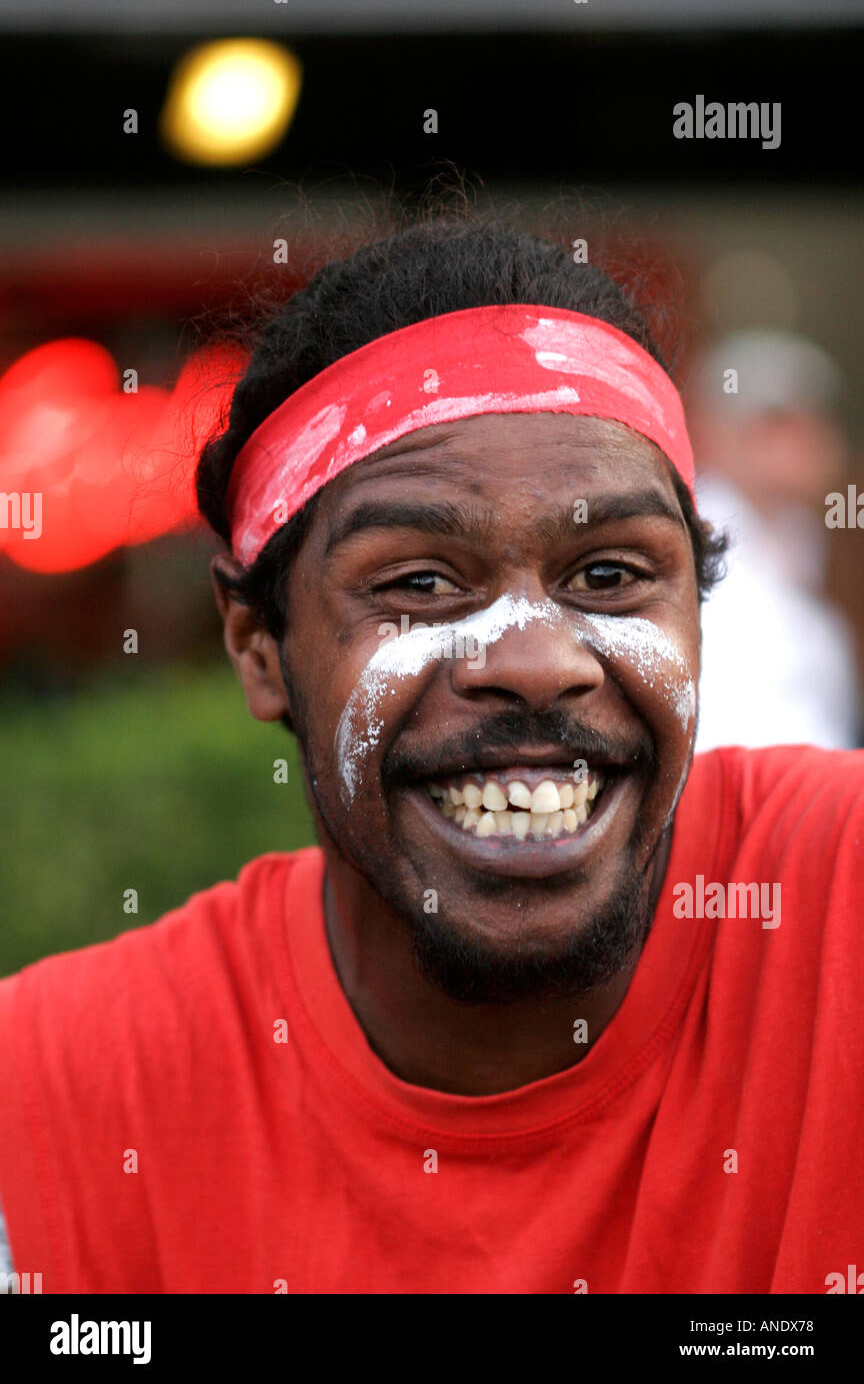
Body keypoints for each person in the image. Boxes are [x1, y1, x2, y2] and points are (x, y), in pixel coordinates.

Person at [1, 218, 862, 1295]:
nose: (539, 664)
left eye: (609, 575)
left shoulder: (841, 908)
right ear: (259, 647)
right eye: (419, 584)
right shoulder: (53, 1100)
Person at [690, 329, 860, 752]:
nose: (802, 443)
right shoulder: (695, 539)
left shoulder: (802, 533)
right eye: (773, 426)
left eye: (810, 422)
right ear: (716, 433)